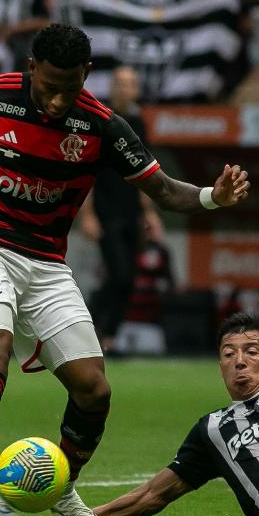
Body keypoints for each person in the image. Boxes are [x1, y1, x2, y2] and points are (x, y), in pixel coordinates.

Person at [0, 23, 249, 516]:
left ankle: (63, 488)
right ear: (31, 69)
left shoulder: (103, 126)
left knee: (94, 389)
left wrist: (212, 197)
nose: (55, 99)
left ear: (87, 74)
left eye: (69, 88)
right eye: (48, 85)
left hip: (46, 263)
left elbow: (161, 190)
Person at [33, 289, 259, 516]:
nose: (240, 362)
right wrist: (82, 514)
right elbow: (153, 494)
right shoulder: (214, 430)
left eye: (251, 352)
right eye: (229, 354)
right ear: (219, 366)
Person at [78, 65, 164, 353]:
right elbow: (87, 172)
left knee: (128, 281)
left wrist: (149, 213)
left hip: (132, 213)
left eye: (130, 83)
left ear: (136, 89)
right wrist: (87, 215)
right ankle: (84, 324)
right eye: (120, 83)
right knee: (119, 274)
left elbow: (144, 172)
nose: (125, 88)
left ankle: (109, 338)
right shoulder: (101, 120)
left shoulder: (139, 123)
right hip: (106, 211)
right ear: (112, 87)